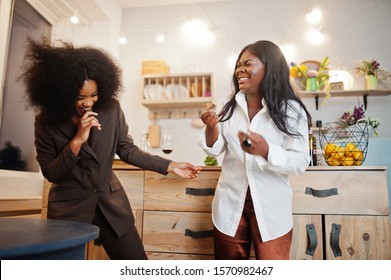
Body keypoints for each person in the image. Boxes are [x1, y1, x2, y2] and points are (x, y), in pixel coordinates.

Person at [19, 37, 201, 260]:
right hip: (69, 210)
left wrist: (171, 165)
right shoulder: (46, 121)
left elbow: (127, 150)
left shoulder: (111, 108)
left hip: (111, 207)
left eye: (93, 95)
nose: (89, 103)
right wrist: (77, 140)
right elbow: (52, 173)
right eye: (80, 97)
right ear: (62, 93)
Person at [198, 40, 311, 260]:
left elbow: (300, 161)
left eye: (247, 63)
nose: (240, 69)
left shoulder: (290, 109)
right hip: (230, 203)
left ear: (270, 66)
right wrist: (211, 128)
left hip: (271, 206)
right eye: (238, 64)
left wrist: (266, 150)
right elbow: (214, 149)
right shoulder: (226, 103)